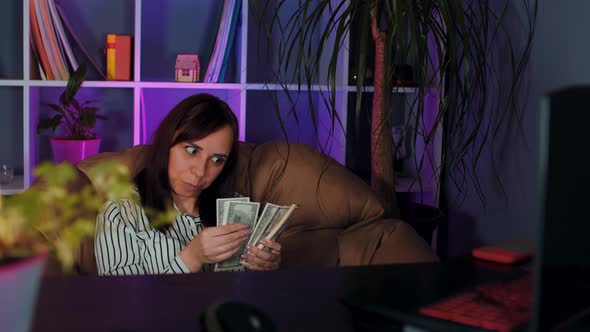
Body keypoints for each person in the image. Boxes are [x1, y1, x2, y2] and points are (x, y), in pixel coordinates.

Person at [94, 93, 281, 275]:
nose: (200, 172)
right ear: (168, 142)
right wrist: (192, 258)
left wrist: (267, 268)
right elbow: (124, 300)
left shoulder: (240, 212)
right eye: (192, 150)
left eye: (217, 160)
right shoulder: (120, 211)